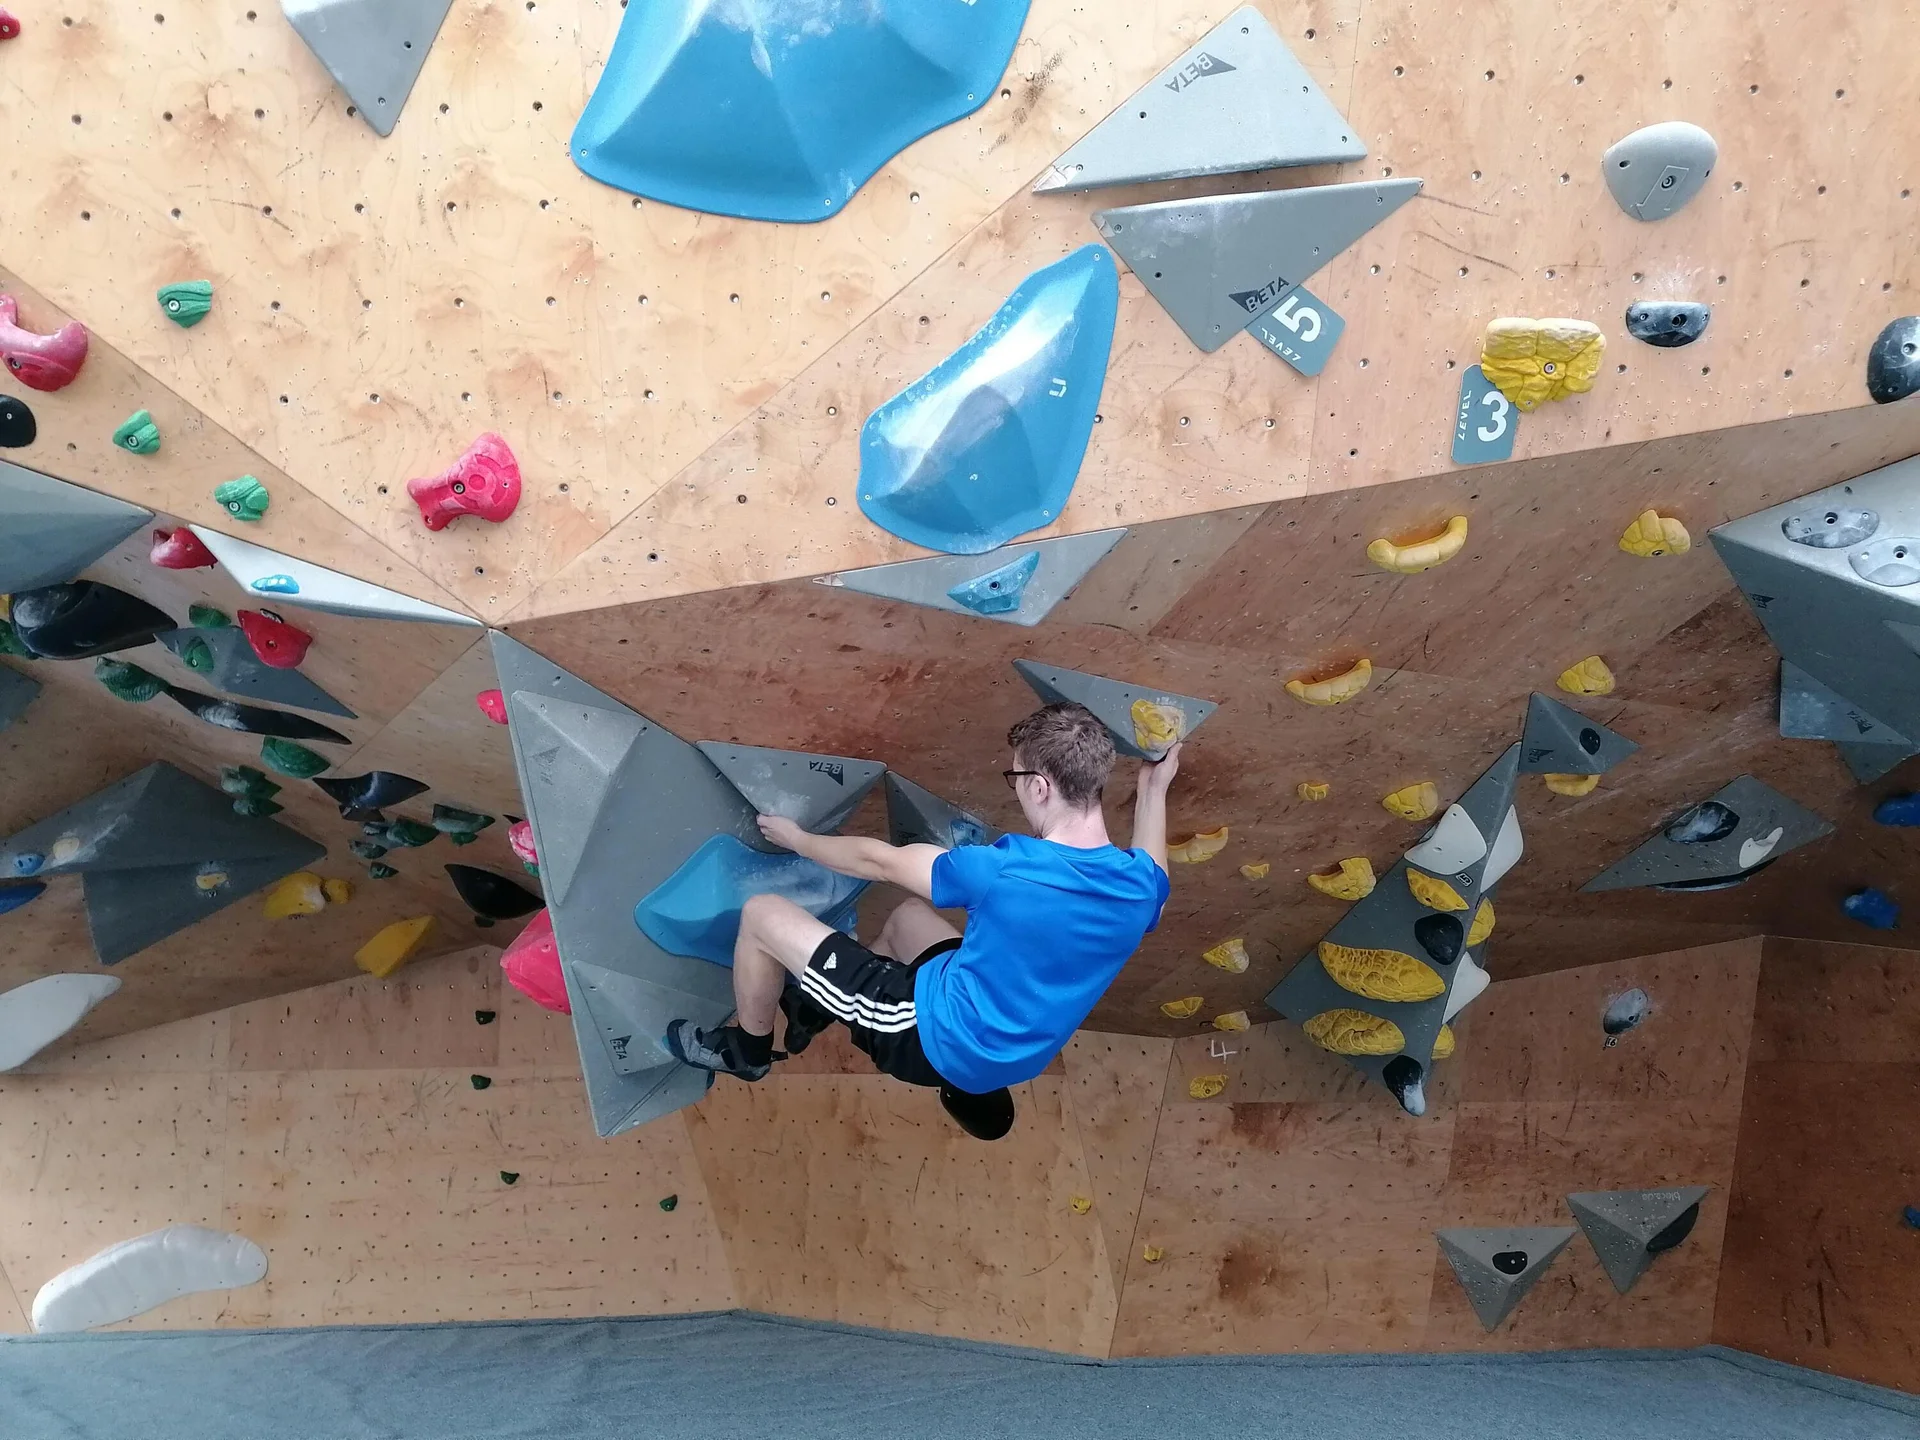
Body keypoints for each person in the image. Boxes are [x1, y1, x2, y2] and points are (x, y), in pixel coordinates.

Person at [667, 702, 1177, 1139]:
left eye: (1016, 776)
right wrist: (1154, 789)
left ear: (1040, 787)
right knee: (909, 918)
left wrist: (798, 839)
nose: (1016, 786)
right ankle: (816, 1008)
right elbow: (1153, 860)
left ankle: (748, 1049)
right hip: (1016, 1042)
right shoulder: (1138, 888)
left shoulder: (1007, 871)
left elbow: (879, 862)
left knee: (761, 916)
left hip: (930, 1036)